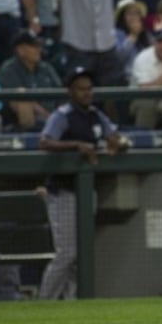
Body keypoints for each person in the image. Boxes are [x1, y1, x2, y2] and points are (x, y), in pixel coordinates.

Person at [38, 66, 128, 299]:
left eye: (89, 89)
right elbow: (45, 142)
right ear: (70, 91)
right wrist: (77, 145)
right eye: (81, 89)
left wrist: (119, 143)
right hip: (63, 192)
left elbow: (113, 136)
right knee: (67, 253)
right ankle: (43, 302)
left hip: (88, 192)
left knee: (82, 254)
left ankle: (73, 304)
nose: (86, 93)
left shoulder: (96, 115)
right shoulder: (63, 115)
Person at [0, 30, 62, 131]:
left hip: (53, 118)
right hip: (23, 121)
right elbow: (17, 99)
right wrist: (49, 118)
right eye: (34, 46)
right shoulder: (9, 69)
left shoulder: (46, 68)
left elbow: (61, 93)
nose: (39, 50)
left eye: (39, 46)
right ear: (20, 50)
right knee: (22, 97)